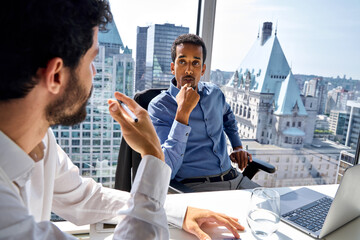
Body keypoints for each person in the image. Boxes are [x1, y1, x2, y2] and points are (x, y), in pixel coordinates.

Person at [0, 1, 245, 239]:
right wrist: (152, 154)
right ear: (56, 75)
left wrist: (178, 212)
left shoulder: (42, 140)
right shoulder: (6, 220)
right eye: (92, 60)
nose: (95, 72)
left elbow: (87, 197)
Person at [148, 34, 260, 192]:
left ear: (203, 69)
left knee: (275, 206)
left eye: (195, 63)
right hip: (196, 187)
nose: (189, 70)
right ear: (173, 67)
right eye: (182, 61)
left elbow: (228, 116)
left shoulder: (214, 93)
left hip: (234, 178)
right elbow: (167, 169)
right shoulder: (159, 107)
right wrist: (183, 113)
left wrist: (237, 146)